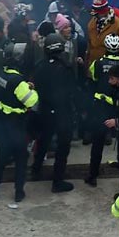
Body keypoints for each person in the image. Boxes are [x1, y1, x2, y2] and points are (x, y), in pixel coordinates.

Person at [0, 42, 39, 203]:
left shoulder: (2, 75)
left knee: (1, 157)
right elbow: (32, 102)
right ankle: (19, 192)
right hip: (17, 125)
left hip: (3, 123)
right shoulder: (18, 81)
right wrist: (31, 89)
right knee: (21, 159)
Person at [30, 33, 75, 193]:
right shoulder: (66, 67)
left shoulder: (39, 66)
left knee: (43, 140)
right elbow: (72, 90)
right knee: (63, 146)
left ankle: (35, 170)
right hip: (62, 111)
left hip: (45, 110)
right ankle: (58, 181)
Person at [85, 33, 119, 186]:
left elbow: (92, 79)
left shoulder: (97, 64)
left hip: (101, 107)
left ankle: (93, 175)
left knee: (97, 143)